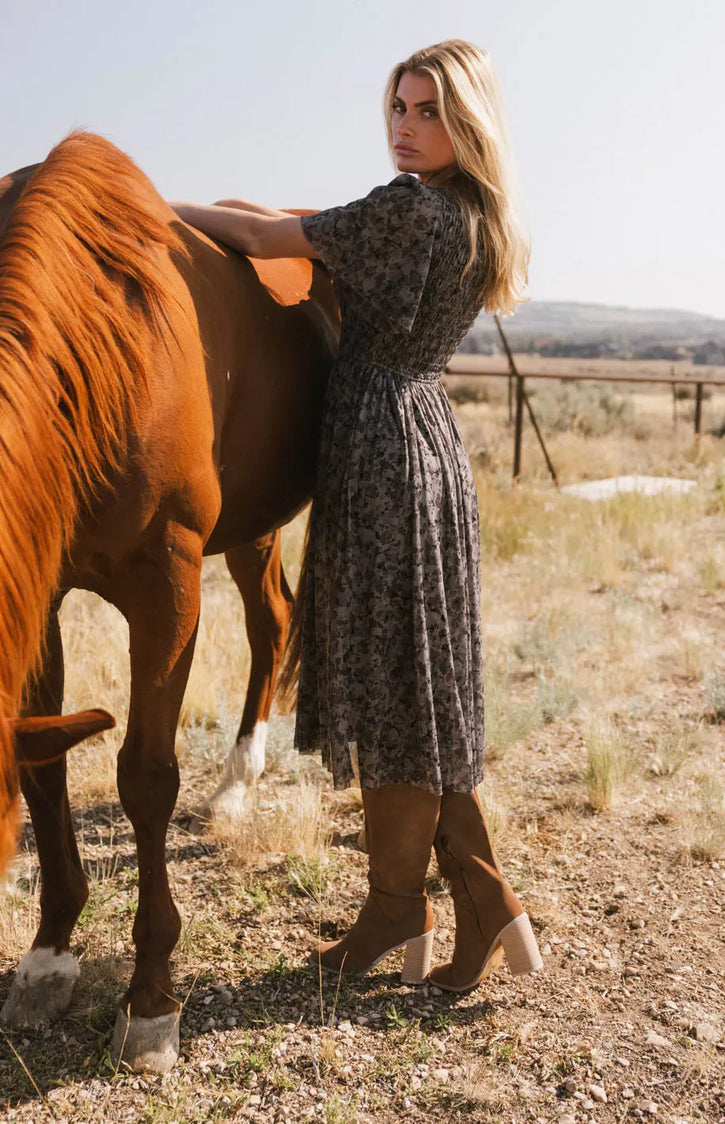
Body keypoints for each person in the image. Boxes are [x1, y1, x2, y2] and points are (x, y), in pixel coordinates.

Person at [170, 38, 543, 992]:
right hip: (429, 443)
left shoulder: (403, 212)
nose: (406, 128)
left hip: (378, 453)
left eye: (427, 112)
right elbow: (294, 223)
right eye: (398, 109)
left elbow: (262, 242)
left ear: (466, 122)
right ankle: (465, 903)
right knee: (419, 687)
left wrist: (148, 206)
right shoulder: (474, 218)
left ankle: (409, 907)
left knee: (389, 687)